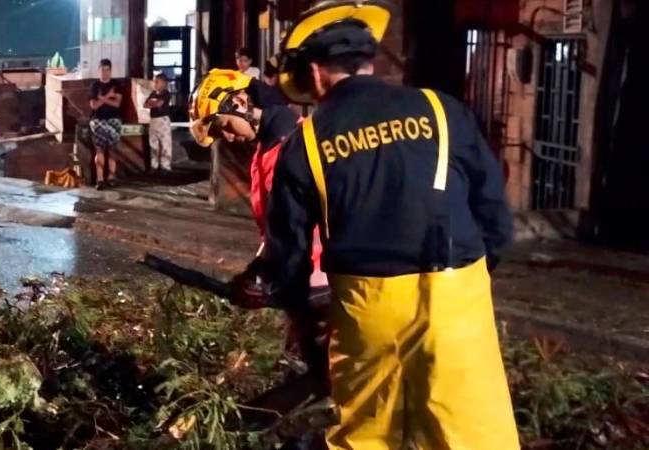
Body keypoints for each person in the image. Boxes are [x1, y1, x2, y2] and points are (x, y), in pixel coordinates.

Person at [245, 1, 519, 448]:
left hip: (367, 308)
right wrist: (464, 282)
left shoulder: (305, 143)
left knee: (366, 437)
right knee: (474, 437)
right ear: (368, 60)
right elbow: (495, 219)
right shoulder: (441, 109)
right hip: (456, 297)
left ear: (313, 72)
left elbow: (289, 254)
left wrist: (295, 309)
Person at [189, 68, 330, 400]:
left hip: (323, 293)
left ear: (240, 101)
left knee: (323, 390)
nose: (228, 138)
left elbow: (302, 231)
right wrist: (256, 271)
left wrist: (271, 280)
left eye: (224, 126)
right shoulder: (267, 150)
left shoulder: (294, 147)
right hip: (305, 292)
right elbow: (276, 229)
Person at [88, 59, 124, 189]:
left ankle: (111, 177)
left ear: (111, 70)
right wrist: (108, 96)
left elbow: (117, 104)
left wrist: (102, 98)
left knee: (113, 148)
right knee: (99, 148)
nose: (105, 72)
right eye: (103, 70)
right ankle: (100, 179)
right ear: (99, 70)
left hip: (114, 119)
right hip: (98, 120)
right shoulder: (94, 86)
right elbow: (94, 106)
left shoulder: (116, 85)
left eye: (107, 70)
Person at [144, 73, 173, 172]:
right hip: (153, 119)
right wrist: (154, 103)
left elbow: (159, 104)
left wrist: (152, 103)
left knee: (165, 143)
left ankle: (165, 166)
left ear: (164, 83)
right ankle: (154, 165)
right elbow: (145, 105)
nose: (155, 83)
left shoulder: (166, 93)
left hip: (163, 119)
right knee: (153, 143)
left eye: (157, 81)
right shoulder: (153, 93)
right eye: (154, 81)